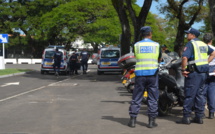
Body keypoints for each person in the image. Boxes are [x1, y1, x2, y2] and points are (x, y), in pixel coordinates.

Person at [177, 28, 215, 124]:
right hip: (204, 73)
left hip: (194, 73)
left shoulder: (191, 44)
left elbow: (185, 57)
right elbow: (213, 53)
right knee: (200, 95)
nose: (186, 35)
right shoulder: (203, 44)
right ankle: (199, 117)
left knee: (189, 94)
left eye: (188, 34)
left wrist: (183, 69)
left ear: (193, 35)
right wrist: (206, 62)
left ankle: (186, 117)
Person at [128, 26, 162, 128]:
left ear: (142, 35)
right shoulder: (156, 45)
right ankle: (151, 122)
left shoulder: (136, 45)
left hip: (140, 74)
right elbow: (159, 58)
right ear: (150, 33)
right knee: (152, 98)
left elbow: (136, 56)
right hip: (152, 74)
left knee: (137, 97)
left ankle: (133, 120)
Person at [203, 33, 215, 119]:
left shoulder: (201, 49)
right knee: (212, 92)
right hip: (213, 70)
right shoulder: (214, 49)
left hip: (203, 70)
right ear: (211, 40)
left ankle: (201, 112)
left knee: (202, 92)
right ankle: (211, 112)